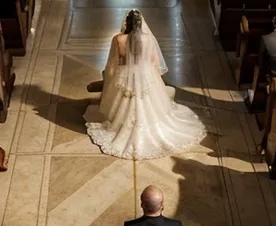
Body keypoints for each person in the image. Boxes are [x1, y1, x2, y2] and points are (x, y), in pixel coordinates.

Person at [84, 9, 206, 159]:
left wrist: (110, 81)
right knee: (149, 101)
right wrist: (153, 79)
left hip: (124, 75)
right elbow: (154, 62)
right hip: (147, 75)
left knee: (122, 101)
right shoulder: (148, 39)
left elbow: (112, 65)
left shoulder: (118, 39)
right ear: (141, 24)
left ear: (125, 23)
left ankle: (123, 123)